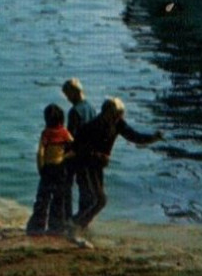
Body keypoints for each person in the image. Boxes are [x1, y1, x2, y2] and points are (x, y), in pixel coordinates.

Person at [66, 98, 161, 245]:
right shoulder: (92, 126)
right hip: (85, 165)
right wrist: (98, 155)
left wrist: (152, 138)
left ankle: (76, 226)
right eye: (117, 114)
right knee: (99, 200)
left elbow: (134, 136)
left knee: (96, 200)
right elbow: (76, 148)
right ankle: (73, 226)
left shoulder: (118, 123)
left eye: (120, 114)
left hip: (96, 166)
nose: (120, 117)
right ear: (106, 112)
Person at [27, 103, 75, 235]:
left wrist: (40, 168)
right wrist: (64, 156)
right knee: (58, 199)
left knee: (42, 198)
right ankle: (56, 227)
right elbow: (74, 147)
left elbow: (40, 153)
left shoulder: (46, 133)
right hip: (60, 168)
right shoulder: (65, 133)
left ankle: (37, 226)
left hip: (47, 169)